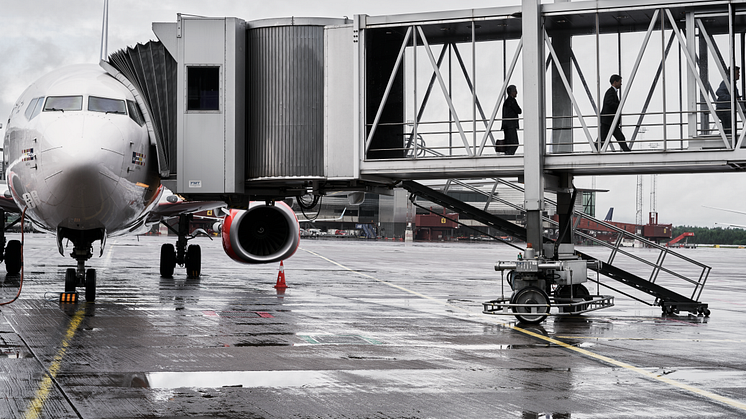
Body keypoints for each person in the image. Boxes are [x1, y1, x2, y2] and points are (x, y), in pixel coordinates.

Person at [597, 74, 631, 152]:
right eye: (620, 82)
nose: (621, 84)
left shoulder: (611, 92)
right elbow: (608, 102)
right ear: (615, 82)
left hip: (609, 121)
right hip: (609, 121)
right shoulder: (611, 92)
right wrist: (618, 105)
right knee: (605, 138)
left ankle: (627, 151)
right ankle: (627, 151)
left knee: (605, 138)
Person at [716, 66, 740, 134]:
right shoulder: (727, 82)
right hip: (724, 109)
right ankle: (728, 140)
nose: (739, 75)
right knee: (729, 129)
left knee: (729, 128)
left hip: (726, 109)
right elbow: (719, 92)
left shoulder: (730, 82)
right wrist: (732, 98)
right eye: (737, 73)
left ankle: (728, 139)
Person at [499, 85, 522, 155]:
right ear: (511, 92)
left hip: (507, 126)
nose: (516, 92)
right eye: (515, 91)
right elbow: (519, 110)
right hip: (511, 126)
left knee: (509, 144)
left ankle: (508, 154)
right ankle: (509, 155)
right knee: (514, 143)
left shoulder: (506, 102)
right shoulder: (511, 101)